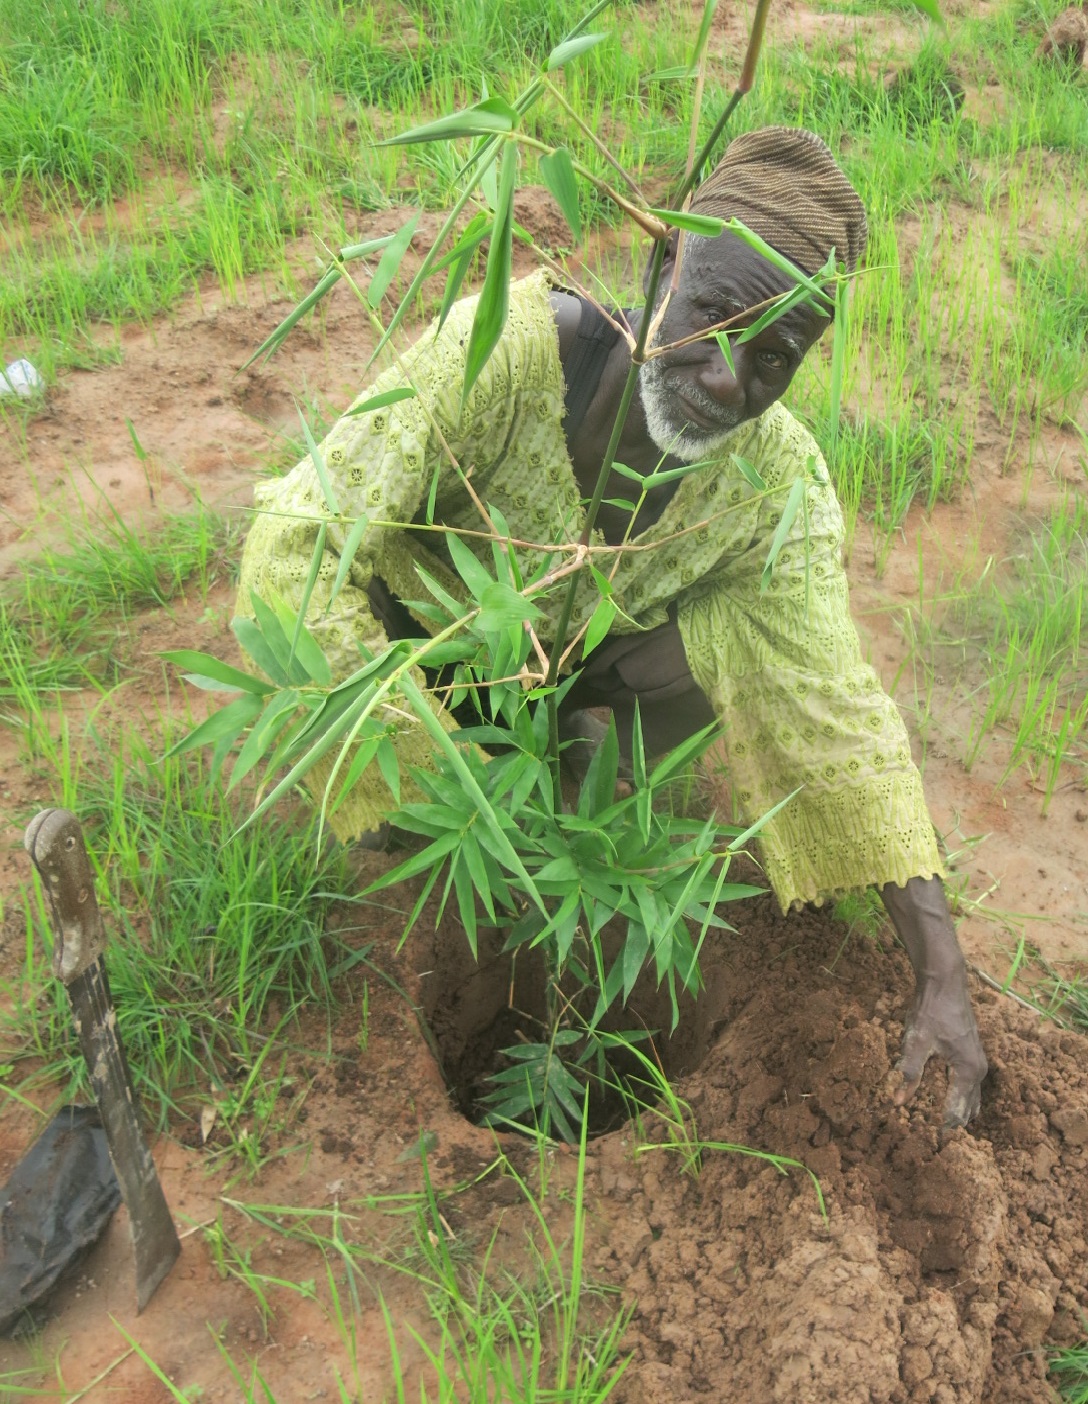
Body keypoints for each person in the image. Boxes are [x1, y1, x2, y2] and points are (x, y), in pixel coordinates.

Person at [238, 126, 987, 1127]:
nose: (728, 379)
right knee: (399, 799)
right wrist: (423, 777)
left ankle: (569, 750)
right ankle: (452, 789)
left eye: (774, 357)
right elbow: (299, 547)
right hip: (430, 647)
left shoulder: (778, 484)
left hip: (581, 672)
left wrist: (941, 974)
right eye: (713, 317)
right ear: (661, 259)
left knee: (748, 639)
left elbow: (836, 713)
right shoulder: (503, 351)